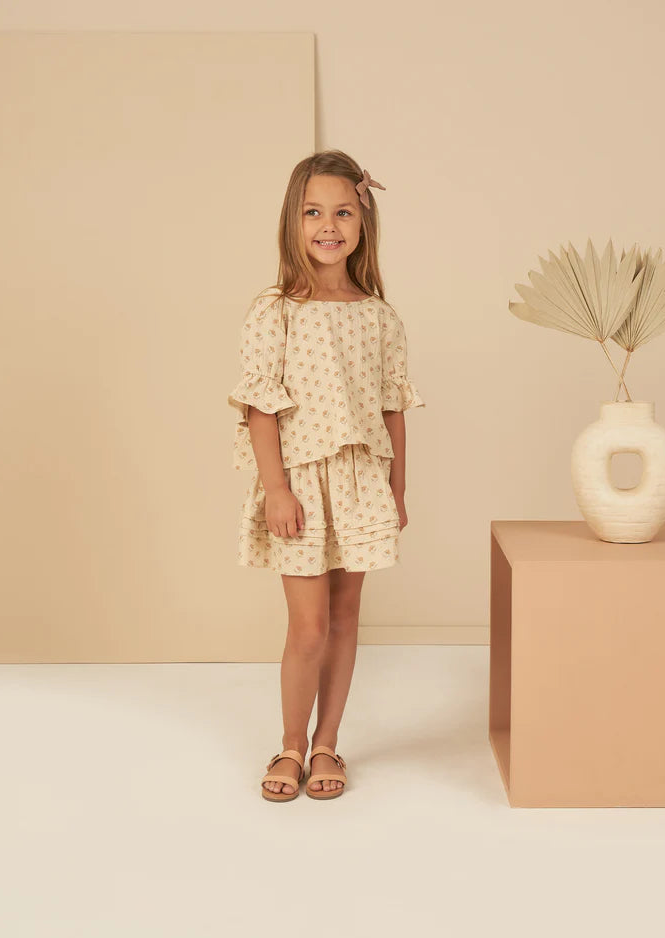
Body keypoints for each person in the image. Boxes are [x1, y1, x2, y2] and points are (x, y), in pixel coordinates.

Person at [227, 149, 425, 802]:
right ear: (294, 220)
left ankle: (326, 743)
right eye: (314, 212)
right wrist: (276, 489)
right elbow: (260, 405)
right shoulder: (277, 309)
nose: (328, 226)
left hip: (361, 482)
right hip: (301, 483)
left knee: (344, 618)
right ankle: (290, 744)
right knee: (308, 626)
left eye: (343, 212)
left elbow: (392, 408)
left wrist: (396, 491)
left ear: (363, 222)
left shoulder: (380, 316)